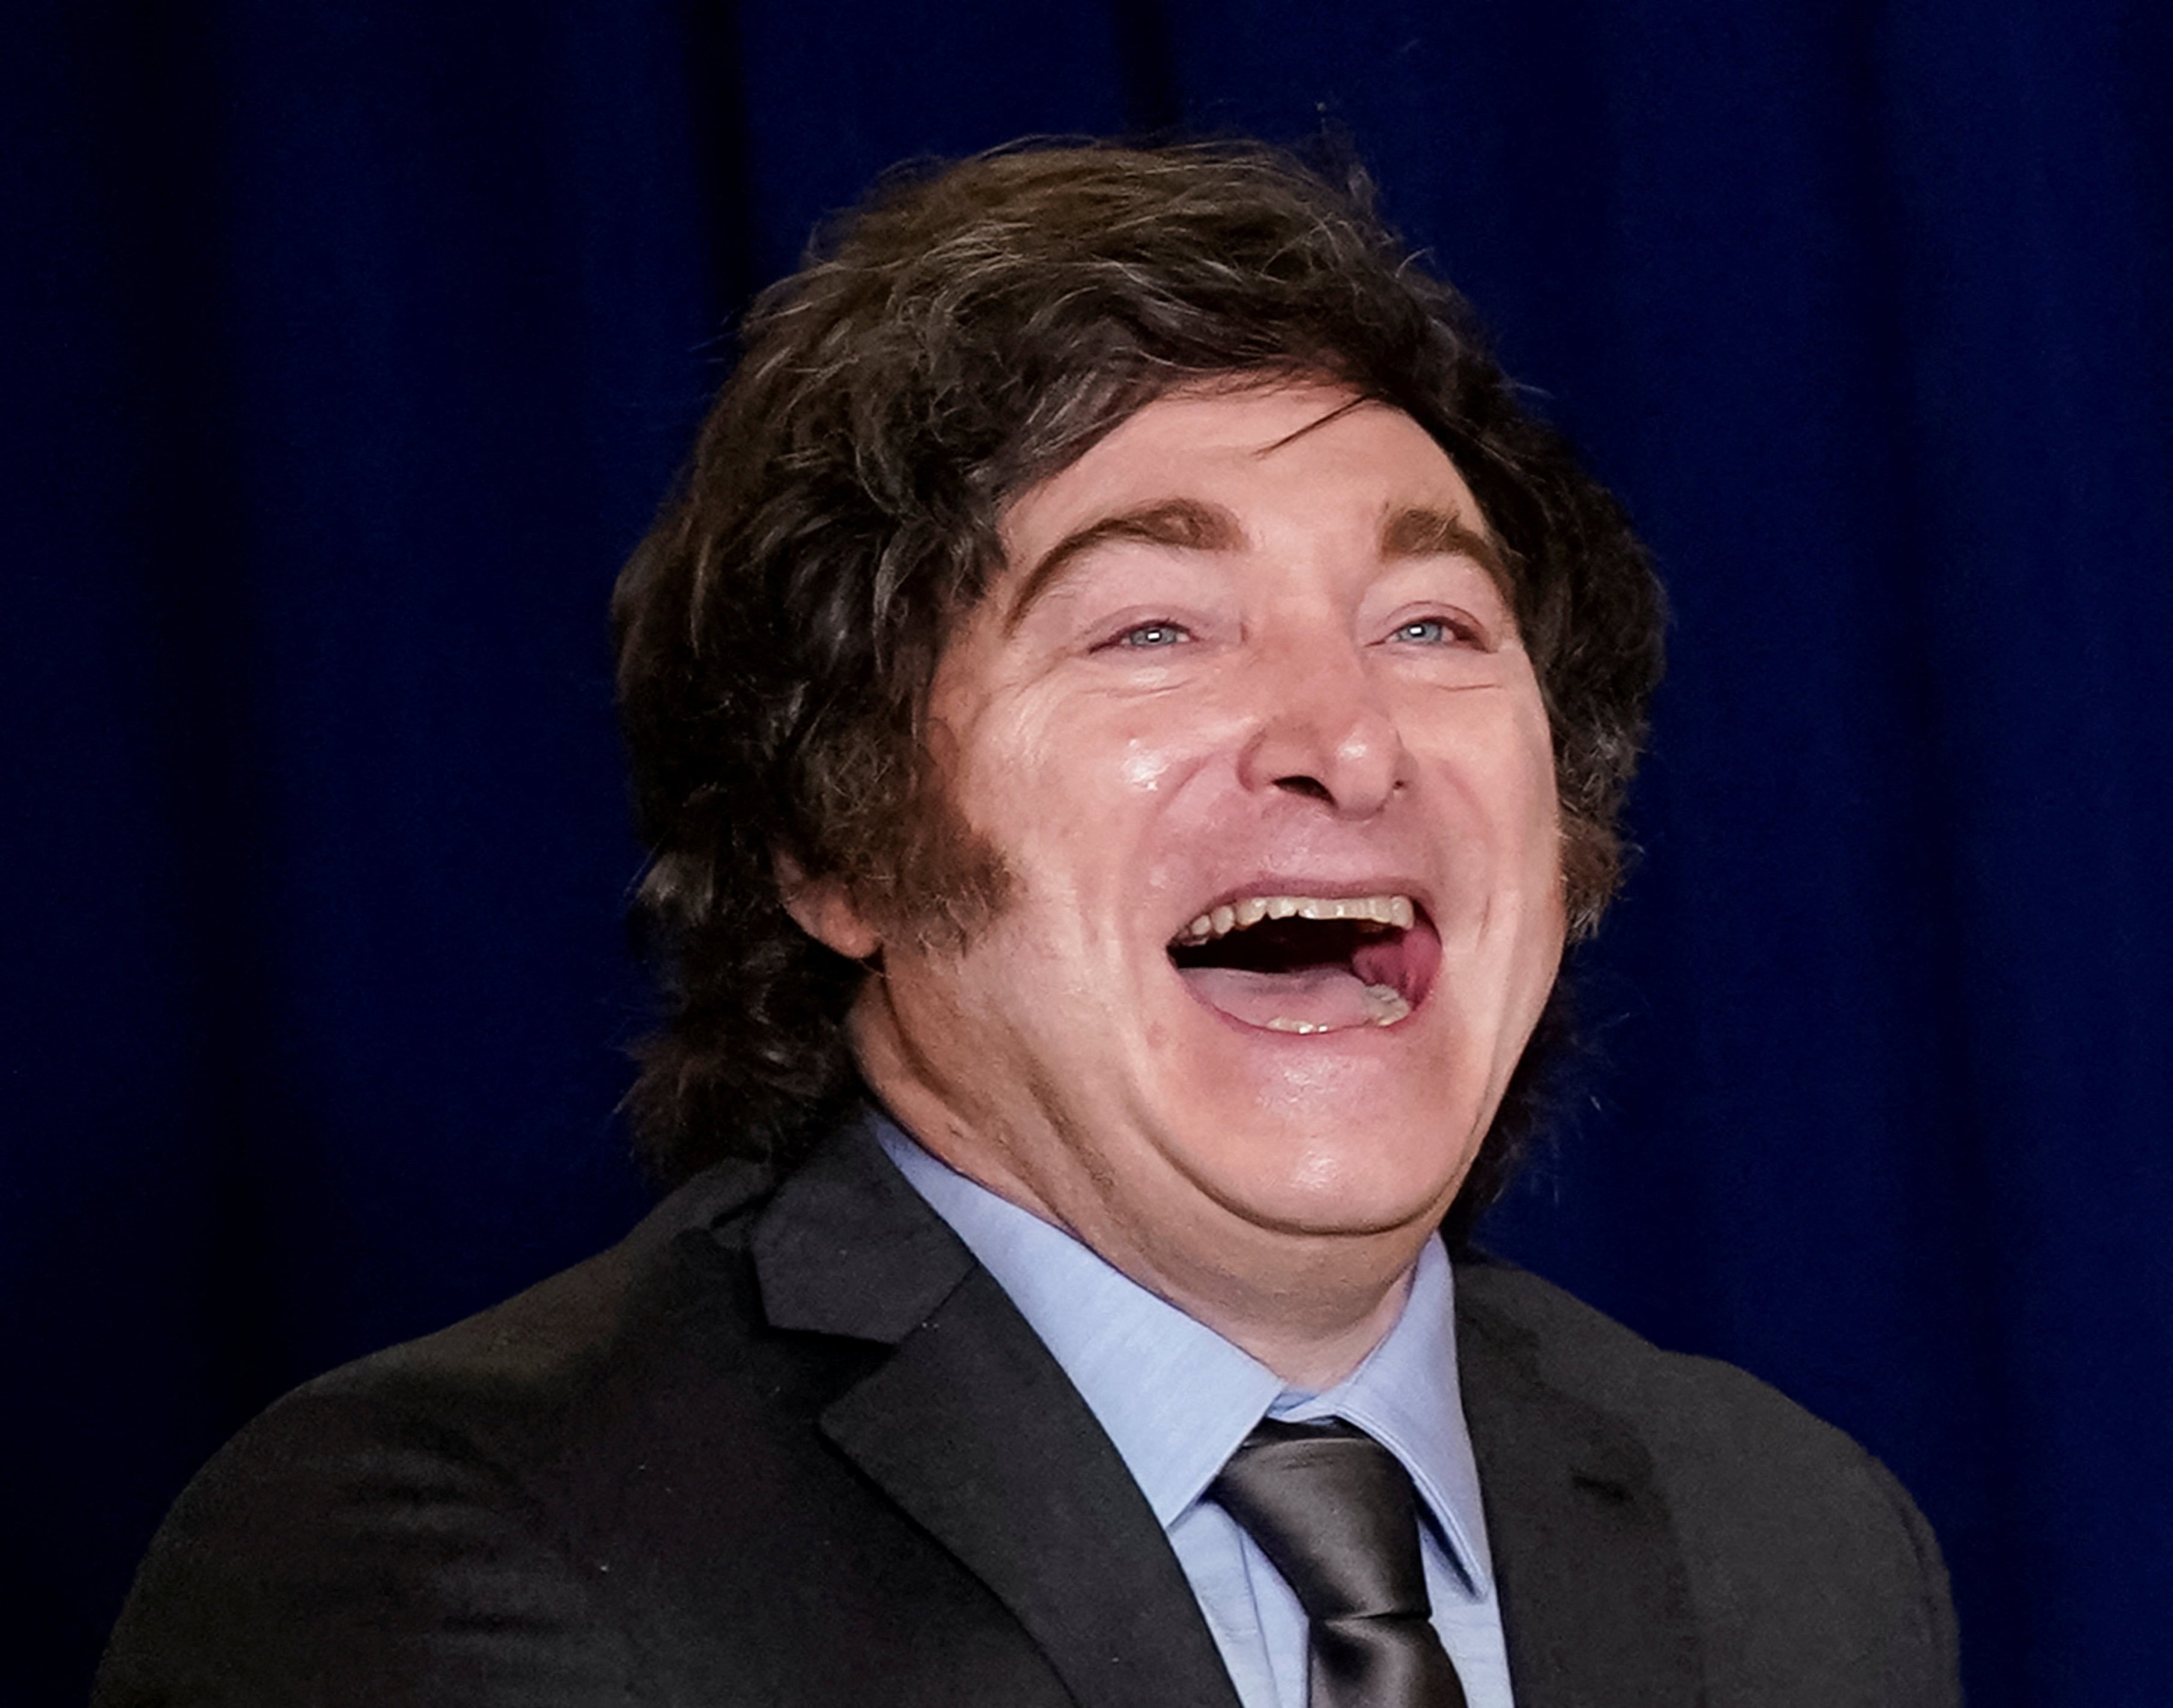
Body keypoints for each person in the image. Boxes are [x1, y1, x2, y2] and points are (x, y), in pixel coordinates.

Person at [96, 142, 1960, 1707]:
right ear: (834, 842)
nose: (1346, 740)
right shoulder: (464, 1548)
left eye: (1431, 628)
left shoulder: (1792, 1542)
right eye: (1152, 627)